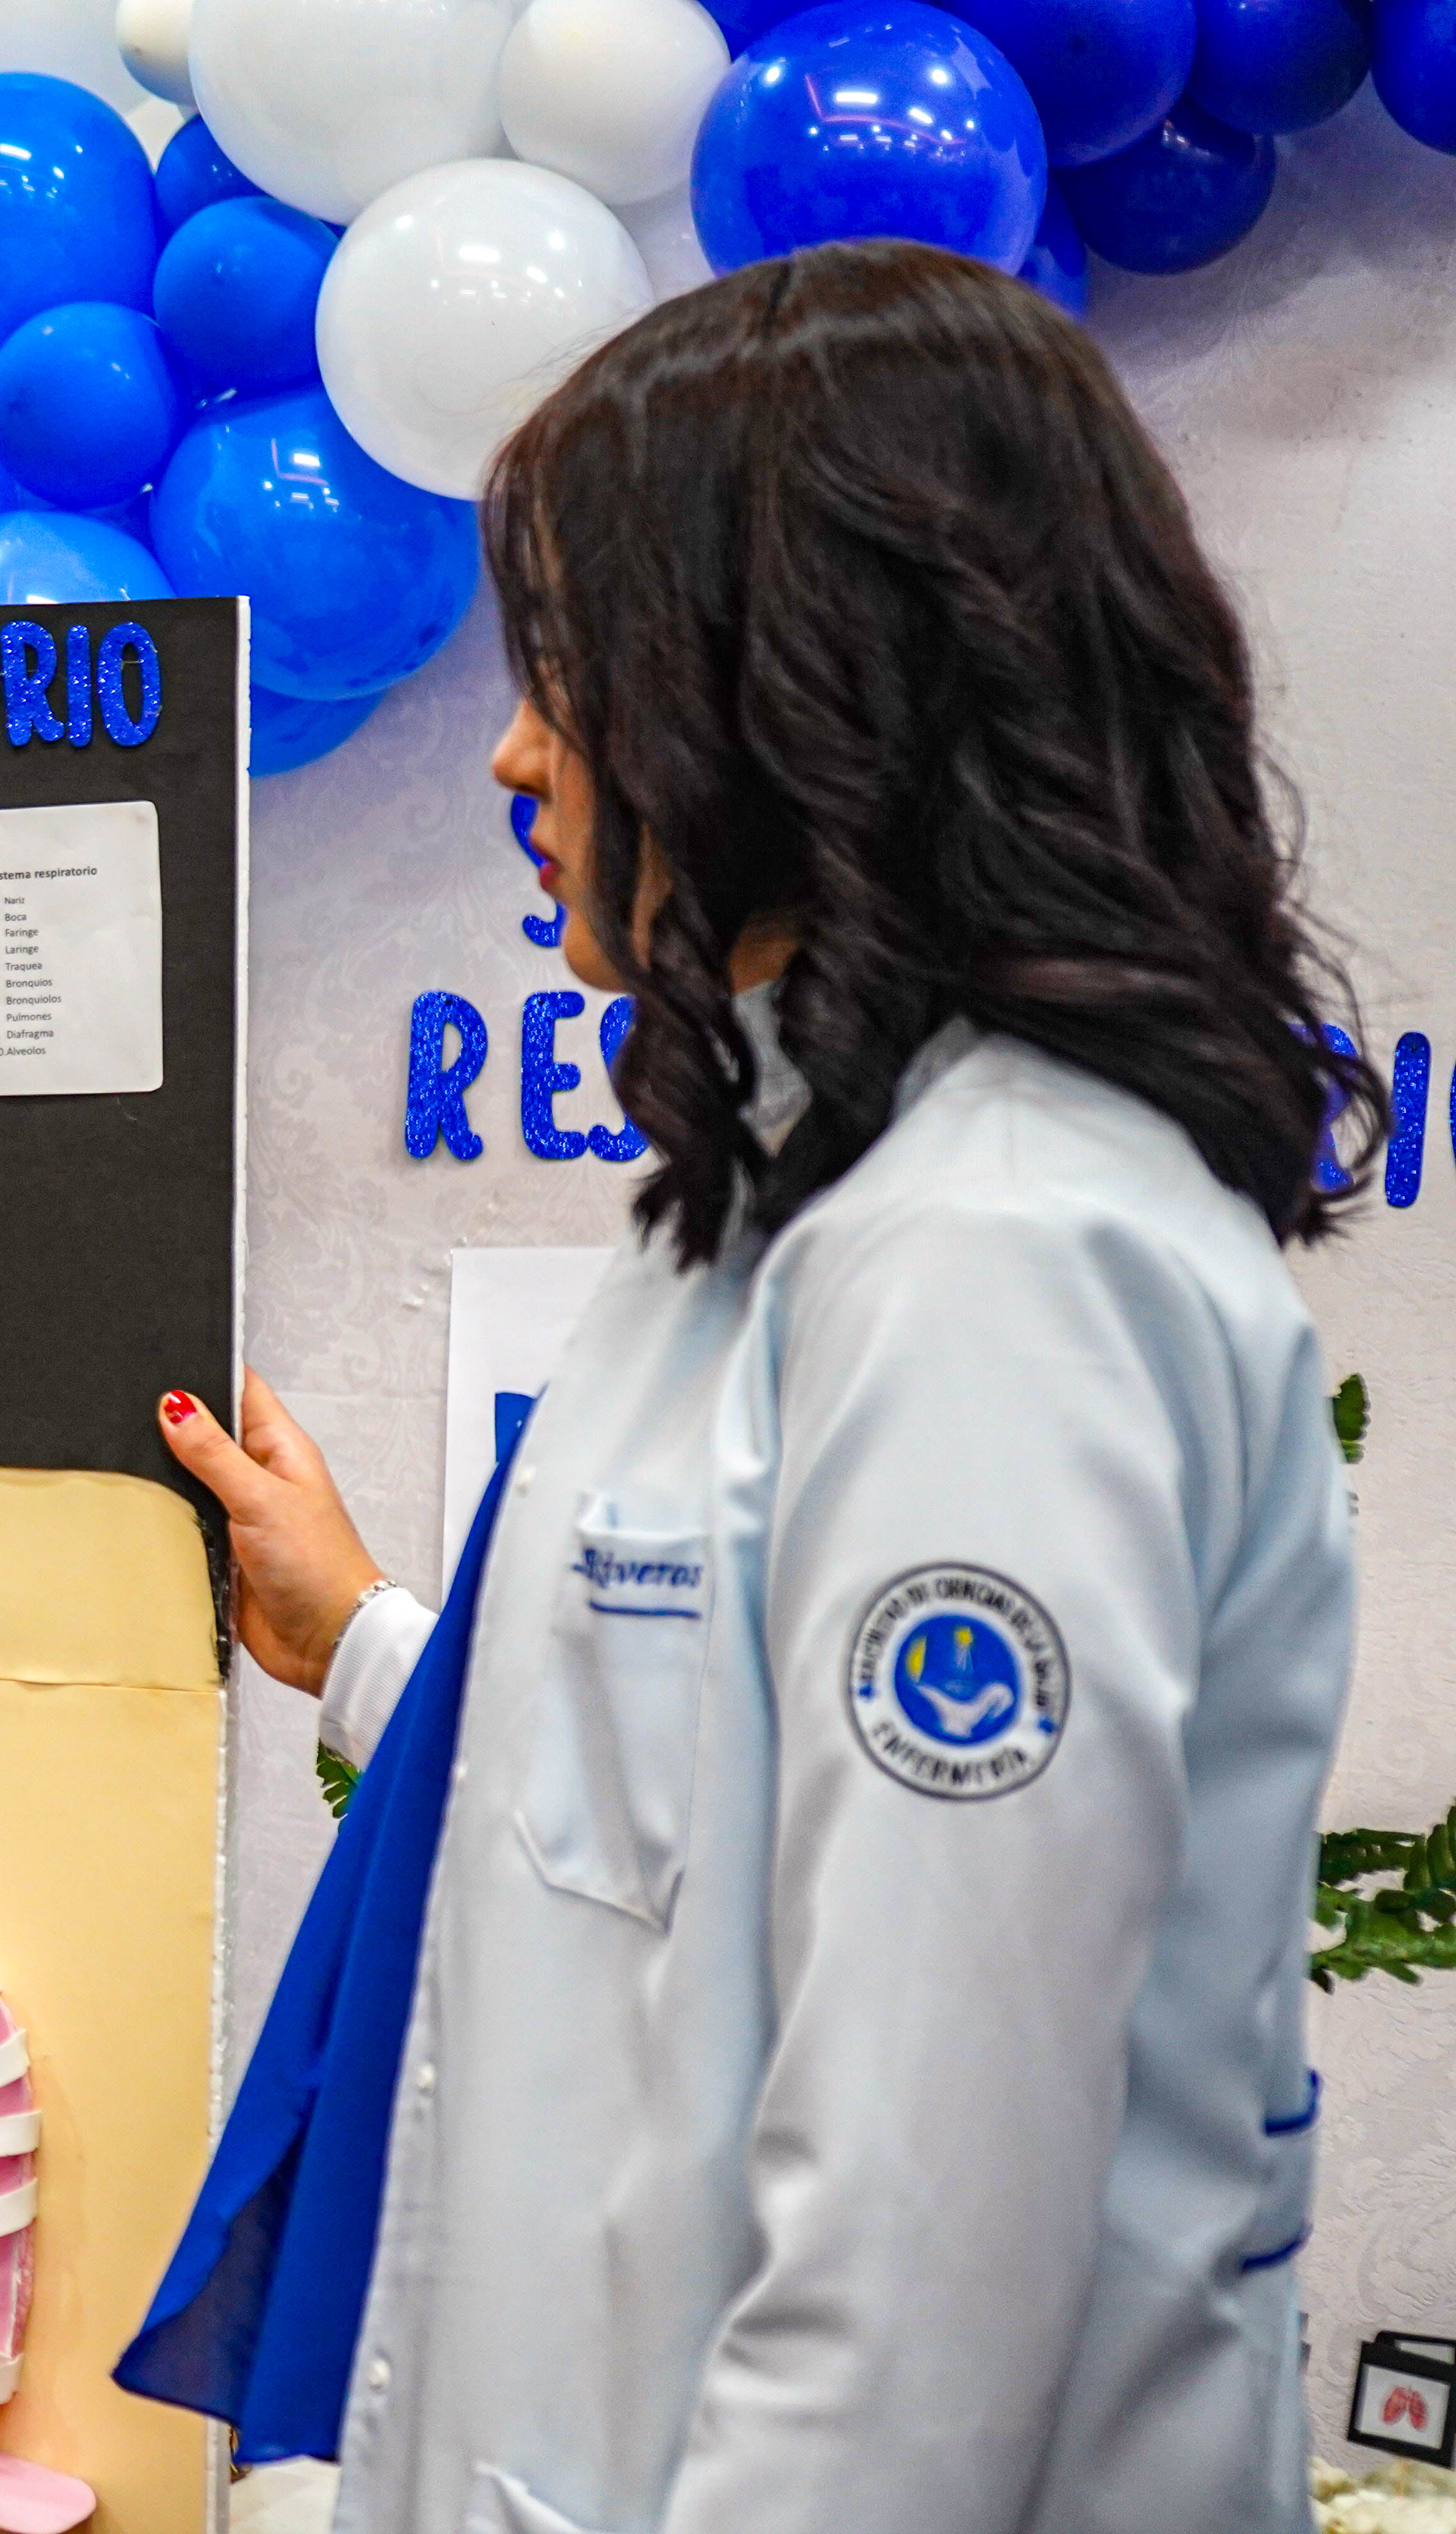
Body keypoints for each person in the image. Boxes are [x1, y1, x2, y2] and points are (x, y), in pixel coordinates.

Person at [125, 241, 1376, 2534]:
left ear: (800, 688)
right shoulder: (782, 1216)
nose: (517, 749)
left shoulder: (1003, 1267)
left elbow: (928, 2260)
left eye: (570, 674)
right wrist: (374, 1647)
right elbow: (710, 1830)